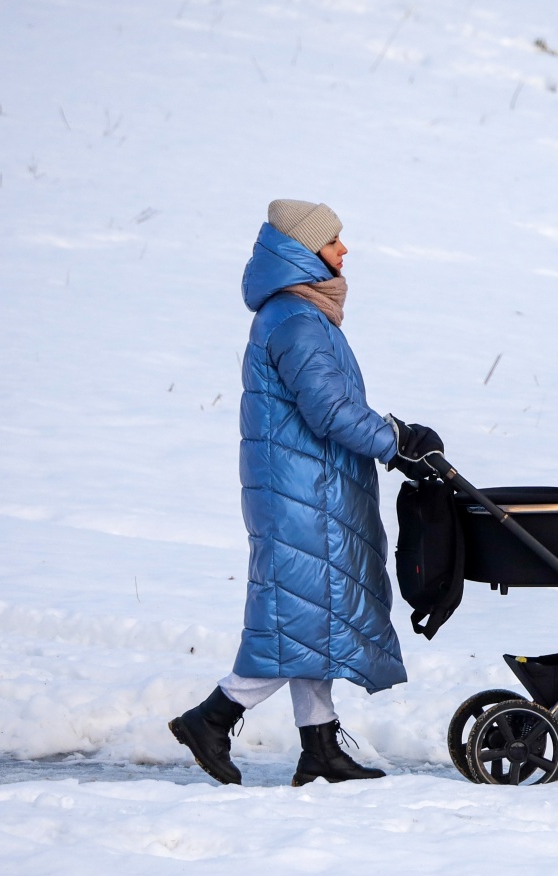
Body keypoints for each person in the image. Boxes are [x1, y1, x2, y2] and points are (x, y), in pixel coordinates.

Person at [170, 199, 444, 786]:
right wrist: (396, 443)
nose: (344, 251)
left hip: (308, 487)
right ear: (301, 251)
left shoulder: (300, 315)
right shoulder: (295, 319)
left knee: (309, 616)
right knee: (296, 618)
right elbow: (329, 409)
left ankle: (319, 750)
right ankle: (212, 718)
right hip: (304, 493)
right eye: (333, 242)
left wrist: (396, 437)